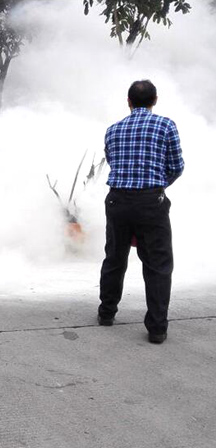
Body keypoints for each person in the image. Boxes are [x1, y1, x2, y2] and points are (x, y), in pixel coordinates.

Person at [97, 80, 184, 345]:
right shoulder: (166, 125)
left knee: (114, 257)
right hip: (150, 202)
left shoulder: (113, 130)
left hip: (118, 200)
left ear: (129, 101)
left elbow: (113, 162)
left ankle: (106, 313)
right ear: (155, 100)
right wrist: (156, 186)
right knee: (158, 264)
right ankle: (156, 329)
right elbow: (176, 166)